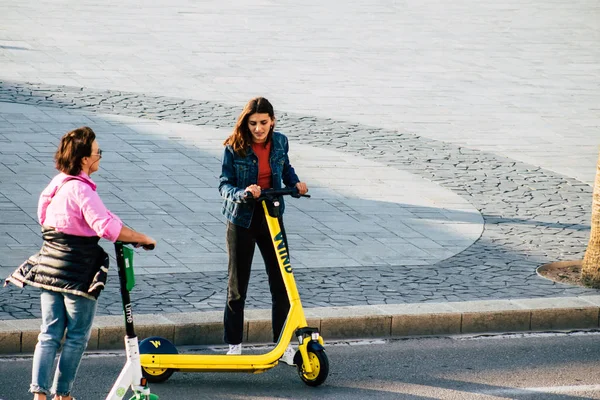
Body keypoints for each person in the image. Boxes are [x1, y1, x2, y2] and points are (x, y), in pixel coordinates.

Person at [5, 126, 156, 400]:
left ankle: (39, 395)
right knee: (75, 337)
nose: (99, 156)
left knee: (49, 334)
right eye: (98, 152)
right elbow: (106, 227)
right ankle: (63, 395)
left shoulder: (58, 182)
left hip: (48, 267)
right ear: (85, 159)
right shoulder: (83, 190)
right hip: (79, 273)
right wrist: (141, 237)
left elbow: (43, 215)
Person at [219, 97, 308, 365]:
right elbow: (224, 185)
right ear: (246, 123)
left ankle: (282, 345)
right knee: (238, 287)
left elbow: (286, 169)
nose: (259, 128)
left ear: (273, 121)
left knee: (281, 283)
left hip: (272, 216)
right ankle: (234, 345)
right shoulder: (235, 147)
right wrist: (243, 192)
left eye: (264, 123)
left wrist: (296, 183)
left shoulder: (280, 142)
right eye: (253, 123)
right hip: (242, 220)